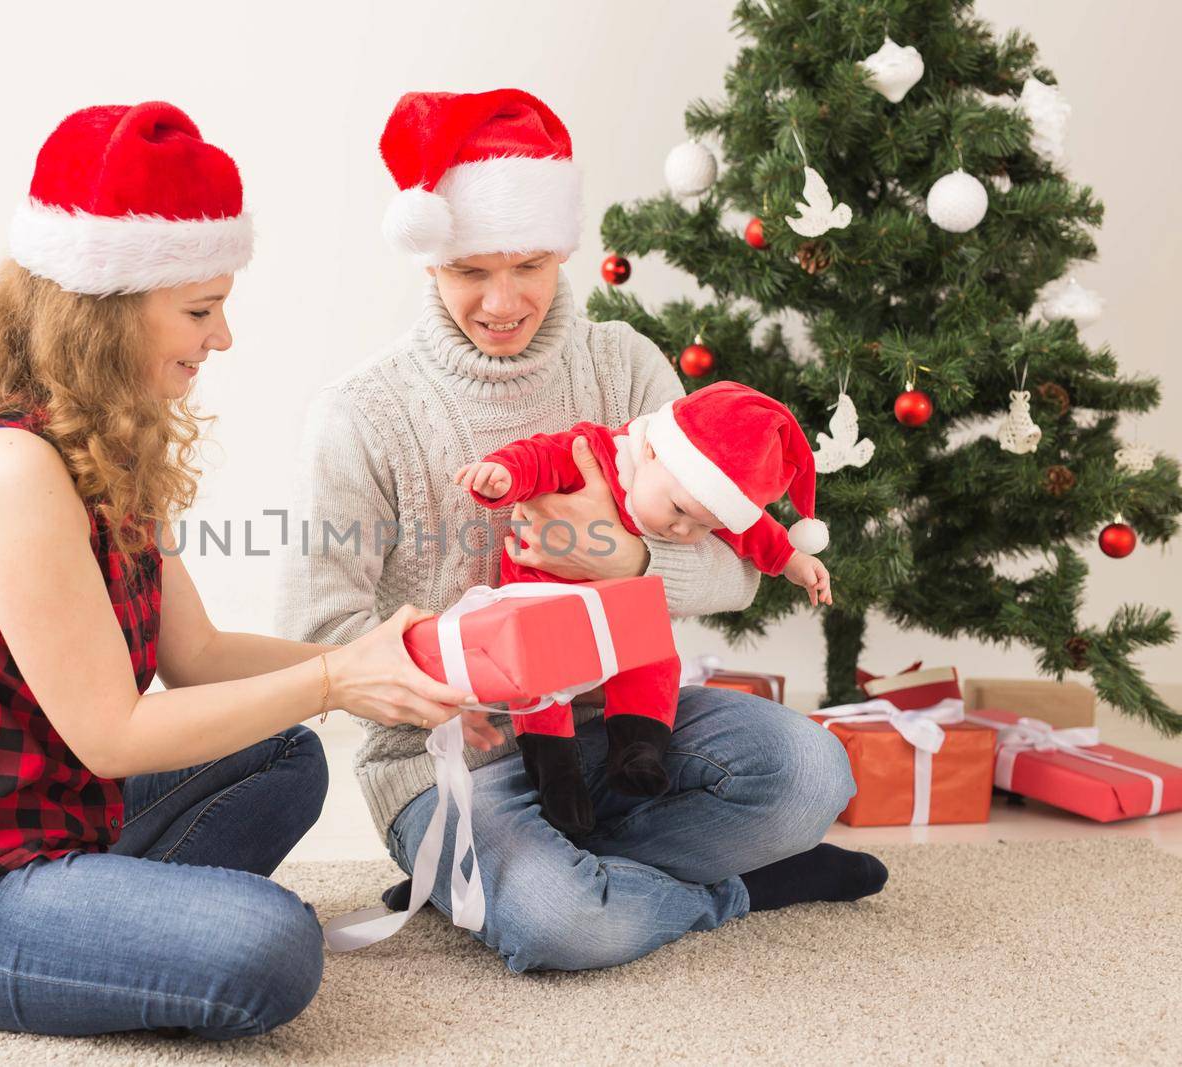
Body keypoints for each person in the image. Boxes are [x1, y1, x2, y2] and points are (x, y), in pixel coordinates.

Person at [0, 102, 470, 1039]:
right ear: (104, 311)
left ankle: (110, 927)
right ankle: (115, 930)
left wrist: (380, 659)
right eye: (201, 309)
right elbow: (115, 736)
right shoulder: (10, 469)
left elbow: (198, 654)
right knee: (275, 948)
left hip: (52, 818)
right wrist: (334, 677)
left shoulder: (100, 439)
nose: (223, 338)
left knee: (286, 753)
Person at [277, 88, 884, 974]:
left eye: (527, 263)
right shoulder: (361, 415)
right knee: (567, 926)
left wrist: (621, 554)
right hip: (454, 757)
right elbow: (317, 638)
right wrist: (450, 686)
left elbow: (737, 573)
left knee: (811, 772)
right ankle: (733, 885)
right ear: (428, 263)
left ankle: (517, 885)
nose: (501, 299)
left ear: (564, 247)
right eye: (469, 271)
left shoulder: (625, 364)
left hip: (623, 725)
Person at [455, 380, 835, 833]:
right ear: (652, 451)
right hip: (543, 604)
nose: (682, 531)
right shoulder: (595, 452)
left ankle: (638, 752)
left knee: (654, 661)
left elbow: (752, 531)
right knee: (540, 684)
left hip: (620, 612)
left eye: (702, 527)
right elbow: (539, 457)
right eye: (678, 511)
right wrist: (502, 476)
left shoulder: (696, 492)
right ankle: (557, 777)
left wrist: (790, 559)